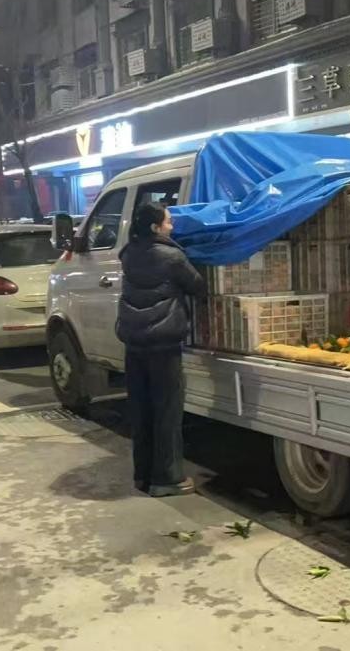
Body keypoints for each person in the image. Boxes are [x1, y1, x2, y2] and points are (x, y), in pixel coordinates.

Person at [116, 201, 207, 497]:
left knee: (141, 410)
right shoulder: (172, 256)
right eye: (168, 221)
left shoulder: (128, 254)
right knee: (167, 411)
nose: (172, 225)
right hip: (163, 344)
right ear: (155, 227)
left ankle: (142, 475)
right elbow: (198, 286)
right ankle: (167, 480)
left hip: (134, 342)